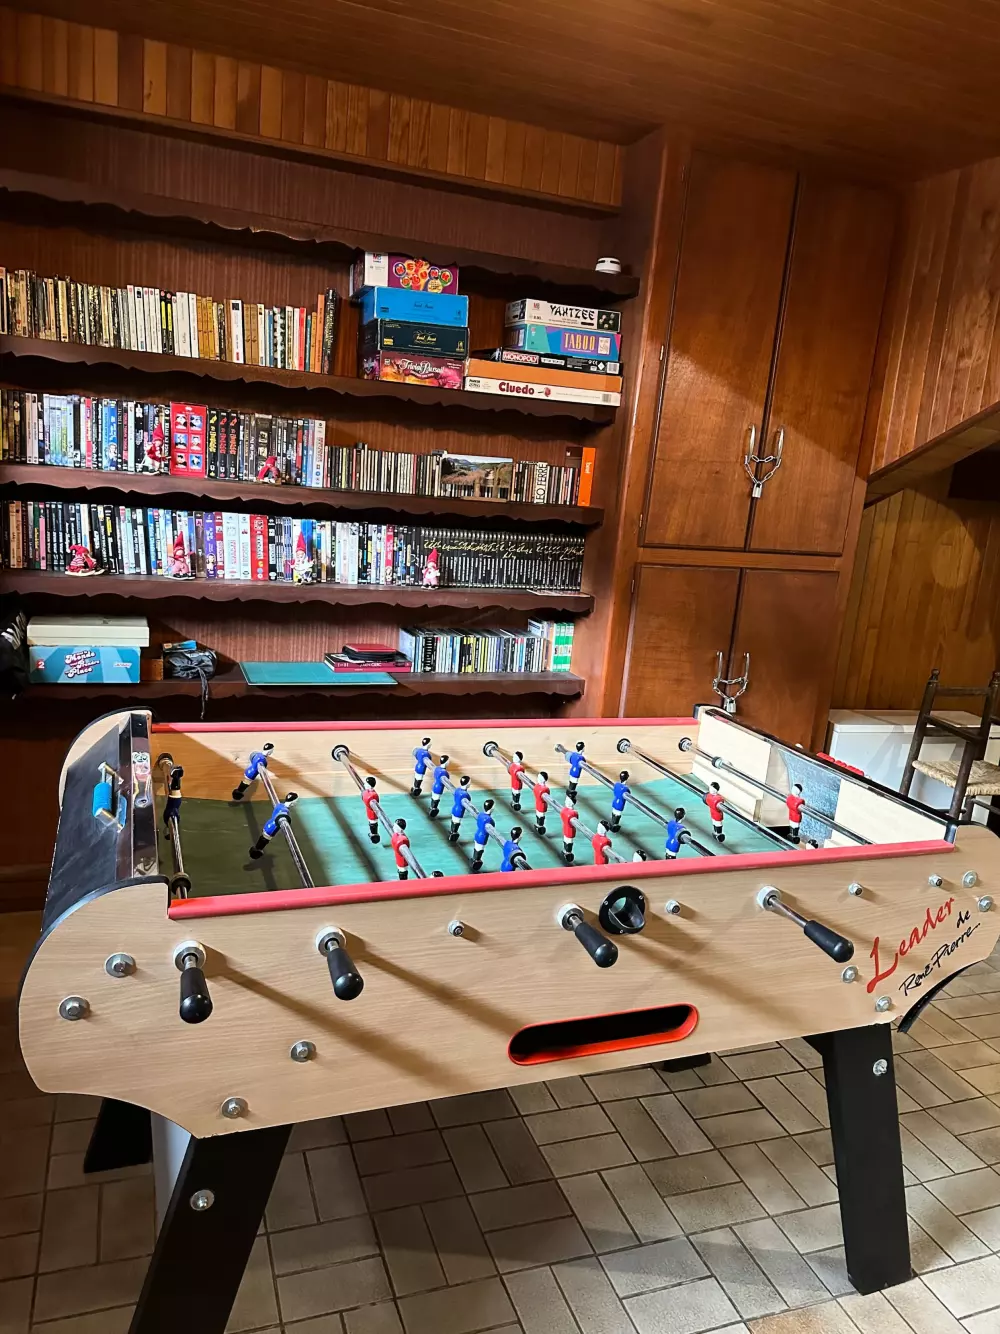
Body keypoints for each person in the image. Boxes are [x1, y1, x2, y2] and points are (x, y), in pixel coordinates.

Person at [471, 798, 496, 872]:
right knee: (480, 850)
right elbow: (492, 826)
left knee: (477, 848)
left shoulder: (481, 815)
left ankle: (475, 859)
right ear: (491, 808)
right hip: (483, 837)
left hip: (477, 834)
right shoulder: (489, 820)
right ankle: (476, 861)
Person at [449, 775, 472, 843]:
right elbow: (469, 800)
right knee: (457, 822)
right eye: (469, 782)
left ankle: (452, 831)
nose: (470, 783)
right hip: (459, 810)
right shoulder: (465, 794)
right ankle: (453, 833)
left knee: (454, 821)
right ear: (467, 783)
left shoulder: (458, 790)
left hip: (454, 808)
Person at [428, 754, 451, 819]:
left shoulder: (437, 768)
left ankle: (432, 807)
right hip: (439, 788)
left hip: (435, 785)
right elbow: (447, 779)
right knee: (436, 799)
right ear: (446, 762)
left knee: (434, 797)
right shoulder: (445, 773)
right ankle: (433, 809)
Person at [560, 793, 578, 864]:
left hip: (570, 830)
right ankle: (566, 851)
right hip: (566, 828)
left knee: (569, 840)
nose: (565, 801)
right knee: (566, 840)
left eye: (567, 800)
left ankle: (568, 852)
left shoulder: (572, 813)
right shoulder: (571, 812)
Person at [362, 776, 381, 844]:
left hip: (372, 813)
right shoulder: (368, 792)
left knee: (373, 823)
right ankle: (373, 833)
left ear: (369, 785)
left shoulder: (373, 795)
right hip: (369, 811)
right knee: (371, 822)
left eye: (366, 783)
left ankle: (374, 835)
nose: (364, 784)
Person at [532, 770, 550, 834]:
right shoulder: (538, 786)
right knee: (538, 814)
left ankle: (540, 825)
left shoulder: (545, 789)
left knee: (541, 815)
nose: (538, 779)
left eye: (540, 778)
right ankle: (538, 824)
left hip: (542, 805)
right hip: (538, 803)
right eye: (538, 777)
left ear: (544, 779)